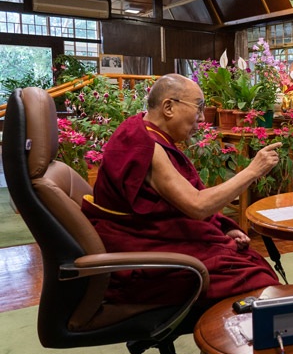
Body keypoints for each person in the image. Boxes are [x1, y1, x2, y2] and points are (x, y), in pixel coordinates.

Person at [81, 74, 282, 305]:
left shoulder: (147, 133)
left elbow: (176, 205)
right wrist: (252, 171)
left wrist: (222, 227)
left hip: (160, 242)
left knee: (249, 261)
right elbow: (196, 205)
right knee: (255, 277)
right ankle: (235, 336)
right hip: (146, 263)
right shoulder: (144, 144)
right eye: (198, 108)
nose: (200, 118)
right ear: (168, 107)